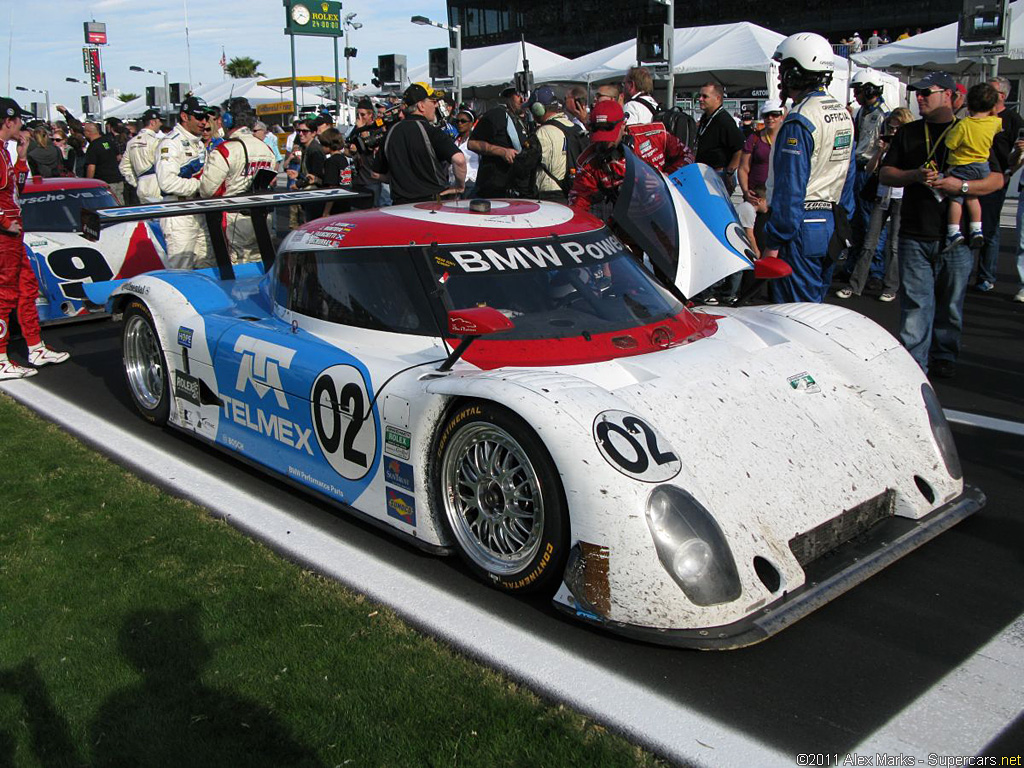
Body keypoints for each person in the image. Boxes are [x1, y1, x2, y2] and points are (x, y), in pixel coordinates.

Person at [879, 71, 1004, 378]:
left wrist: (958, 188)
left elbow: (997, 180)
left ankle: (944, 352)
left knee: (950, 304)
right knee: (915, 305)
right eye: (917, 93)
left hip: (957, 236)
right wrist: (913, 176)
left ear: (949, 95)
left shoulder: (970, 128)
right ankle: (914, 363)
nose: (919, 97)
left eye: (926, 92)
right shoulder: (909, 132)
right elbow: (885, 173)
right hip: (914, 230)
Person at [762, 32, 856, 303]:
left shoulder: (800, 120)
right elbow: (847, 177)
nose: (781, 77)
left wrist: (773, 243)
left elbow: (790, 188)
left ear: (796, 71)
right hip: (831, 225)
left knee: (794, 316)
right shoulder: (842, 115)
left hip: (800, 228)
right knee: (816, 309)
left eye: (784, 70)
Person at [0, 98, 69, 379]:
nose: (23, 127)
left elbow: (14, 188)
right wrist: (5, 223)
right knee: (4, 295)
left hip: (12, 235)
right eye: (19, 122)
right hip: (5, 236)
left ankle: (34, 345)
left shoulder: (5, 153)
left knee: (26, 287)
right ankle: (1, 356)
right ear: (8, 120)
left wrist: (21, 156)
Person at [836, 107, 915, 301]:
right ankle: (855, 285)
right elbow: (870, 169)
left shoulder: (909, 147)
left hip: (900, 197)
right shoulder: (886, 146)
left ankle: (890, 286)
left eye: (897, 128)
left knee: (894, 245)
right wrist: (880, 151)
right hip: (881, 196)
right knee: (869, 242)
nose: (893, 132)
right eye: (891, 127)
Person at [568, 100, 692, 217]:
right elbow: (579, 202)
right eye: (599, 137)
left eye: (609, 136)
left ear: (623, 124)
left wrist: (664, 179)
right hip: (629, 221)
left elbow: (688, 157)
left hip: (667, 212)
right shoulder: (588, 162)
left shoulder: (655, 135)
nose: (604, 143)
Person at [198, 97, 276, 264]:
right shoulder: (266, 148)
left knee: (237, 265)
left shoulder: (225, 150)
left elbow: (207, 190)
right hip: (263, 217)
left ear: (228, 120)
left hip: (234, 219)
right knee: (261, 263)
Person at [373, 83, 465, 205]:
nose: (436, 105)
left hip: (400, 207)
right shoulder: (431, 131)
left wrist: (399, 181)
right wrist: (459, 187)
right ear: (421, 106)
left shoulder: (391, 132)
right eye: (433, 101)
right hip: (431, 205)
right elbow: (459, 160)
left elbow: (375, 173)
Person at [974, 75, 1024, 292]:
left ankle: (986, 275)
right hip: (973, 176)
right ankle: (968, 273)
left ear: (1002, 96)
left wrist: (1008, 173)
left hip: (996, 179)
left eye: (991, 91)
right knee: (971, 225)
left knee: (990, 228)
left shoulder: (1013, 120)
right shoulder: (978, 116)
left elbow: (1018, 153)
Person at [941, 82, 1001, 251]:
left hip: (962, 165)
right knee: (972, 197)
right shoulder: (994, 123)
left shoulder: (964, 125)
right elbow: (997, 121)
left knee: (956, 199)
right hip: (982, 166)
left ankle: (953, 231)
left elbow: (950, 143)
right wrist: (993, 111)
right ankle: (976, 229)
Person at [155, 95, 212, 269]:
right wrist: (202, 186)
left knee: (207, 266)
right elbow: (167, 183)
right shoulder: (170, 143)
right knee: (181, 269)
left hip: (200, 211)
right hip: (179, 213)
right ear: (184, 117)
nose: (204, 122)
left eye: (206, 117)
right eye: (199, 117)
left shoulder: (200, 144)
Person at [849, 70, 890, 258]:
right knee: (855, 219)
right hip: (857, 169)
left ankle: (875, 267)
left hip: (870, 171)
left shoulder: (884, 115)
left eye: (858, 91)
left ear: (869, 90)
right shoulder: (861, 113)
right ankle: (854, 262)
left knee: (870, 220)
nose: (856, 96)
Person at [468, 85, 528, 198]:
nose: (522, 99)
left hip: (516, 187)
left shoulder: (526, 121)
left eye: (525, 95)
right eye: (518, 95)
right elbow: (472, 143)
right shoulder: (496, 114)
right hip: (493, 187)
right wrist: (502, 151)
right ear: (509, 96)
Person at [695, 83, 745, 194]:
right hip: (703, 173)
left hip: (717, 174)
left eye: (705, 96)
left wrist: (729, 173)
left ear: (717, 98)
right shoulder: (705, 118)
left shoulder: (724, 121)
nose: (700, 99)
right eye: (699, 96)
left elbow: (740, 148)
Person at [738, 99, 784, 204]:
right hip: (757, 196)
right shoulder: (754, 138)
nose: (770, 118)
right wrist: (746, 192)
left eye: (775, 115)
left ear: (781, 117)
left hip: (780, 195)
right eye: (766, 115)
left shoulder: (787, 139)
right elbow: (743, 168)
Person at [119, 109, 164, 204]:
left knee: (147, 216)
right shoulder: (156, 141)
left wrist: (136, 182)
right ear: (153, 122)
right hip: (156, 184)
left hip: (141, 185)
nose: (161, 124)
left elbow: (123, 167)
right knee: (160, 216)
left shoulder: (131, 142)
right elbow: (163, 164)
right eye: (160, 121)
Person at [83, 122, 124, 203]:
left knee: (109, 205)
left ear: (88, 132)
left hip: (105, 182)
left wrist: (88, 182)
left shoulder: (93, 146)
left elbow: (91, 167)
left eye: (84, 131)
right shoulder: (108, 141)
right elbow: (119, 157)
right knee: (120, 204)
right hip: (118, 179)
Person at [452, 108, 479, 198]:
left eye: (463, 121)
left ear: (471, 123)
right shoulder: (454, 141)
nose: (460, 124)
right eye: (457, 121)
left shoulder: (475, 141)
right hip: (454, 183)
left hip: (470, 182)